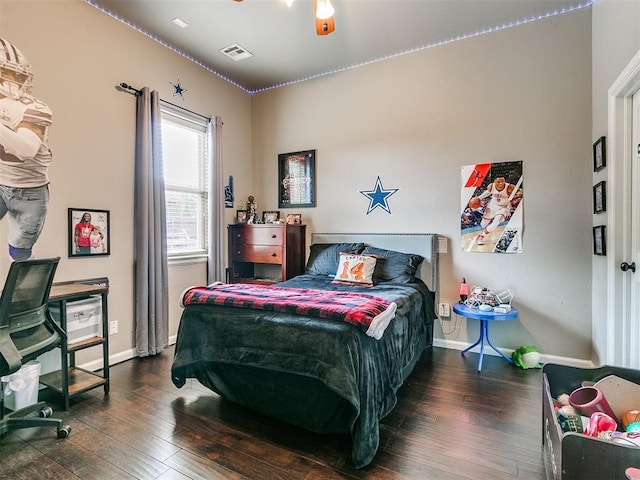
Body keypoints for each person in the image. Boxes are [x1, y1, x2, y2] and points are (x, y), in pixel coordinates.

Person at [0, 38, 54, 261]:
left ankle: (23, 295)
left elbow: (25, 149)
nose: (13, 80)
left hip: (30, 191)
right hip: (1, 182)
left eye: (16, 74)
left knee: (19, 253)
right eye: (6, 72)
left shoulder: (31, 106)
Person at [474, 176, 522, 245]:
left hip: (503, 207)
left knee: (495, 223)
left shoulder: (509, 187)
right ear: (494, 181)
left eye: (503, 181)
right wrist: (479, 198)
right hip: (492, 206)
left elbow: (520, 192)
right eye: (499, 182)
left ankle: (481, 236)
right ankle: (481, 233)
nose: (501, 183)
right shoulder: (491, 186)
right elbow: (488, 192)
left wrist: (516, 196)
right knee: (483, 224)